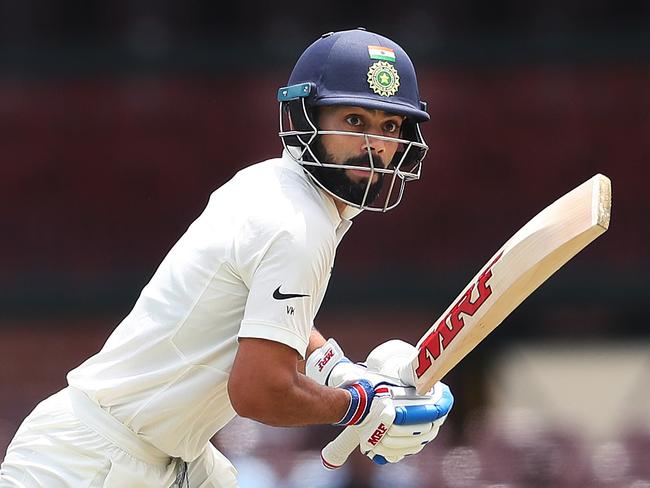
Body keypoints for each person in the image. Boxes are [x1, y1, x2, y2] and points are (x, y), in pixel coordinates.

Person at [0, 28, 453, 487]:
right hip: (88, 462)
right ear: (307, 117)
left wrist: (334, 366)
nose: (374, 145)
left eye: (390, 126)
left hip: (160, 456)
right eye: (354, 120)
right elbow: (258, 392)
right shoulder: (299, 226)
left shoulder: (273, 185)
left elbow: (263, 316)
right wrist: (356, 405)